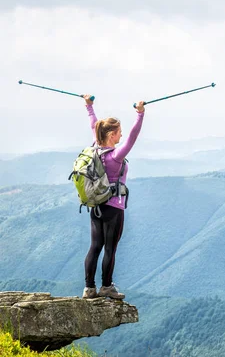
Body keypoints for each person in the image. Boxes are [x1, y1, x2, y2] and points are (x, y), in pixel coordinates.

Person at [81, 94, 145, 300]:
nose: (121, 136)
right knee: (110, 248)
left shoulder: (96, 149)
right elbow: (133, 137)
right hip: (113, 208)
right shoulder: (115, 156)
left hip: (95, 207)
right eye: (118, 133)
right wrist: (140, 113)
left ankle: (89, 288)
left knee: (95, 246)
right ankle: (106, 287)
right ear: (110, 135)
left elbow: (94, 125)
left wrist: (89, 107)